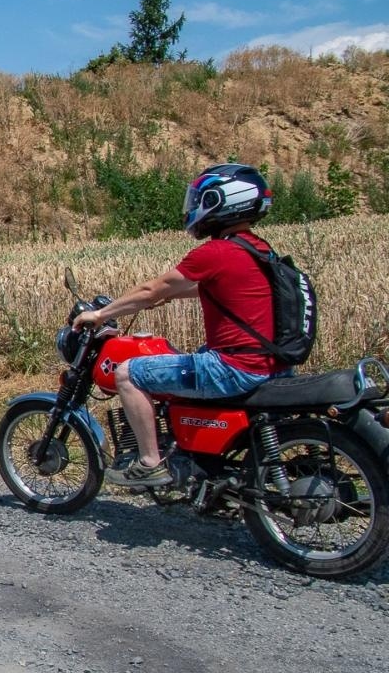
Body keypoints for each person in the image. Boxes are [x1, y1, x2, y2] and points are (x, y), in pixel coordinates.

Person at [73, 164, 289, 488]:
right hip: (271, 362)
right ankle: (195, 454)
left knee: (128, 373)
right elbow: (217, 287)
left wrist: (101, 316)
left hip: (234, 367)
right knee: (191, 359)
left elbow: (150, 290)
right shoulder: (258, 250)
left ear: (219, 202)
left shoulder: (216, 252)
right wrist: (171, 297)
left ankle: (150, 462)